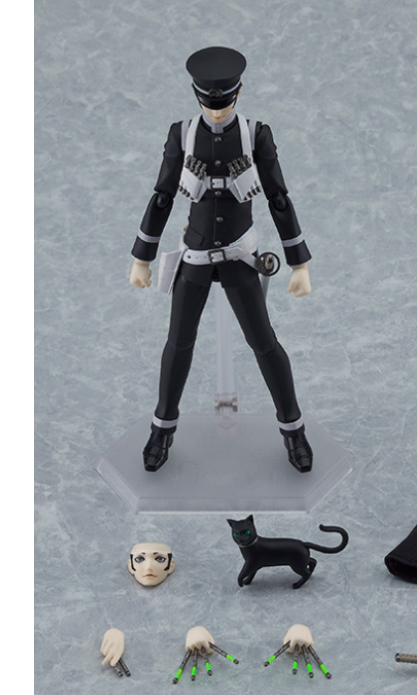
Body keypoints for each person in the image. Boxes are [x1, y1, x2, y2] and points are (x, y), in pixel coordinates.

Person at [129, 46, 313, 473]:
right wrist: (142, 256)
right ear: (196, 96)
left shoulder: (255, 134)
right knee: (178, 344)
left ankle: (293, 429)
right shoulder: (181, 134)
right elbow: (162, 195)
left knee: (265, 344)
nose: (216, 111)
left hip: (239, 256)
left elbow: (278, 197)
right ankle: (162, 428)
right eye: (208, 103)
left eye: (224, 102)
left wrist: (299, 261)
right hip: (194, 257)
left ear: (238, 93)